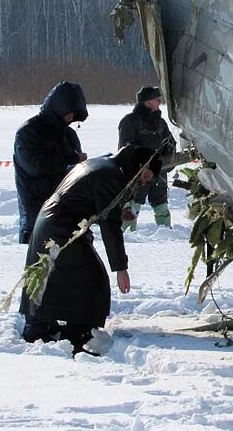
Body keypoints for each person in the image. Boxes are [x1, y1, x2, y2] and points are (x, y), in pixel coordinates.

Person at [19, 144, 160, 353]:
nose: (143, 182)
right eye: (146, 176)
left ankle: (42, 324)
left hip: (55, 222)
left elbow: (93, 199)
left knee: (55, 274)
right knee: (92, 277)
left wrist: (120, 210)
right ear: (140, 165)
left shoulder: (108, 165)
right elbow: (110, 225)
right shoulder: (112, 176)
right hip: (60, 228)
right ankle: (78, 332)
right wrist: (121, 268)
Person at [14, 82, 88, 244]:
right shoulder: (29, 131)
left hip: (68, 210)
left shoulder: (68, 134)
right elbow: (34, 166)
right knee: (40, 265)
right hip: (37, 212)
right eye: (69, 113)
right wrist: (70, 161)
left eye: (74, 114)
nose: (71, 118)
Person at [118, 85, 176, 230]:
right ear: (148, 101)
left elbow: (170, 143)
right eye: (157, 100)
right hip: (137, 174)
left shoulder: (161, 123)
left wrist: (170, 158)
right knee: (131, 207)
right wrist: (143, 164)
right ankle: (127, 238)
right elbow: (126, 147)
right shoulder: (130, 121)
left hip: (158, 173)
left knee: (162, 207)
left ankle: (166, 236)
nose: (160, 102)